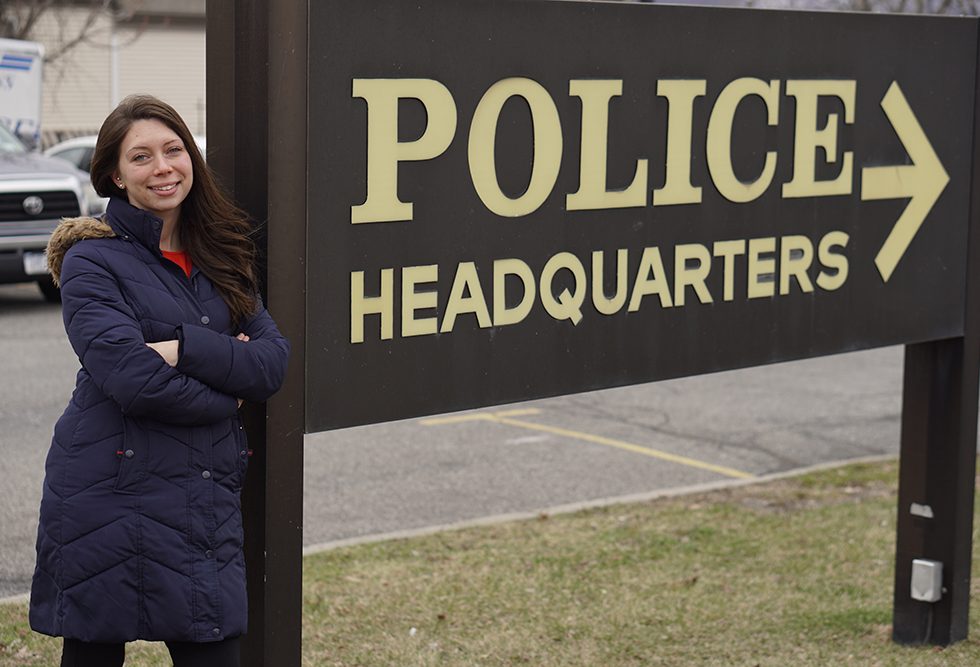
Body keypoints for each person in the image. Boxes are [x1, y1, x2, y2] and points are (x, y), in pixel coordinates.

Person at [29, 94, 290, 667]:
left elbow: (271, 363)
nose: (163, 167)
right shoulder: (90, 261)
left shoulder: (224, 253)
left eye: (174, 150)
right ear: (115, 175)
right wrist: (231, 379)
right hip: (108, 491)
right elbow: (136, 381)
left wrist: (183, 347)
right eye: (141, 157)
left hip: (201, 498)